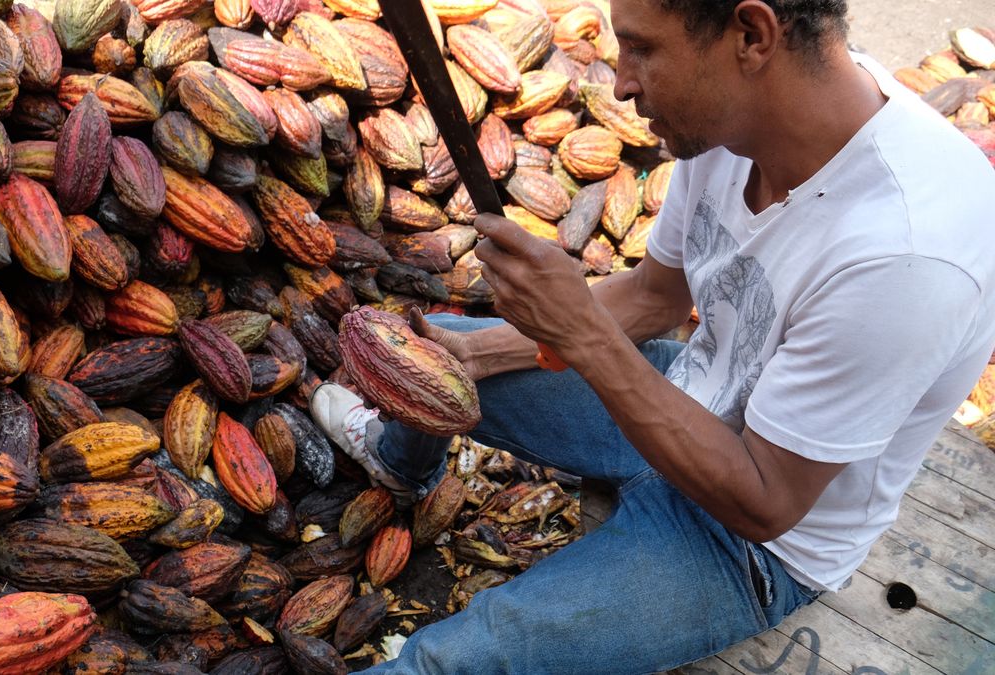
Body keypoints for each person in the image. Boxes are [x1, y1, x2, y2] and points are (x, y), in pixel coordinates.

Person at [310, 0, 995, 672]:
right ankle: (400, 466)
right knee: (435, 353)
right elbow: (652, 295)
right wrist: (479, 351)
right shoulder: (738, 120)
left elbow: (766, 501)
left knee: (456, 655)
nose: (620, 82)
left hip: (753, 541)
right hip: (684, 391)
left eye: (641, 48)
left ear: (751, 35)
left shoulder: (907, 254)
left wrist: (579, 331)